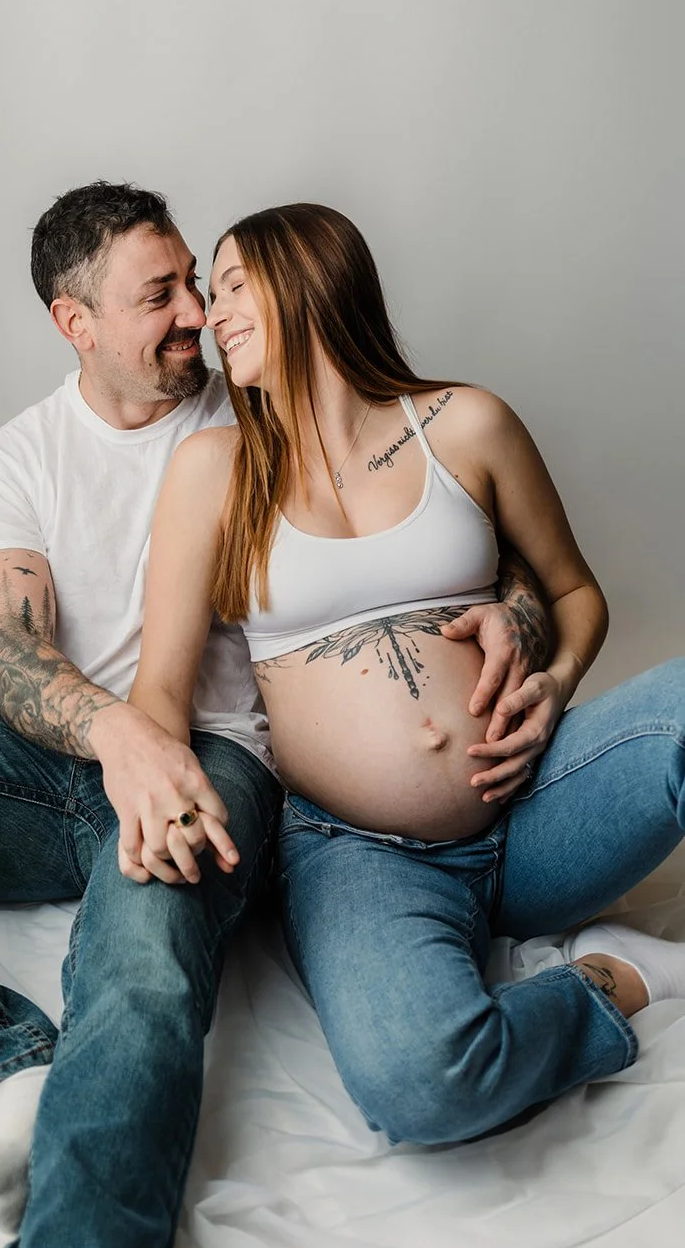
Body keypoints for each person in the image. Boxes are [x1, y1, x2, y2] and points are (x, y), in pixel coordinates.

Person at [0, 183, 548, 1248]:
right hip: (39, 764)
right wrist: (125, 742)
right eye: (160, 294)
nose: (196, 310)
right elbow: (10, 659)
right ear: (74, 320)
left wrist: (522, 620)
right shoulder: (9, 463)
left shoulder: (254, 415)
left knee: (137, 971)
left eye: (195, 280)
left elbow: (459, 528)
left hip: (217, 758)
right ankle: (2, 1077)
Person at [130, 200, 685, 1148]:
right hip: (360, 854)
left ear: (309, 274)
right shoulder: (214, 469)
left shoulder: (465, 424)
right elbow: (158, 689)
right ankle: (616, 976)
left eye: (229, 286)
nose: (208, 315)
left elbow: (575, 593)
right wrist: (148, 783)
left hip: (542, 800)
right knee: (423, 1085)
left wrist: (550, 683)